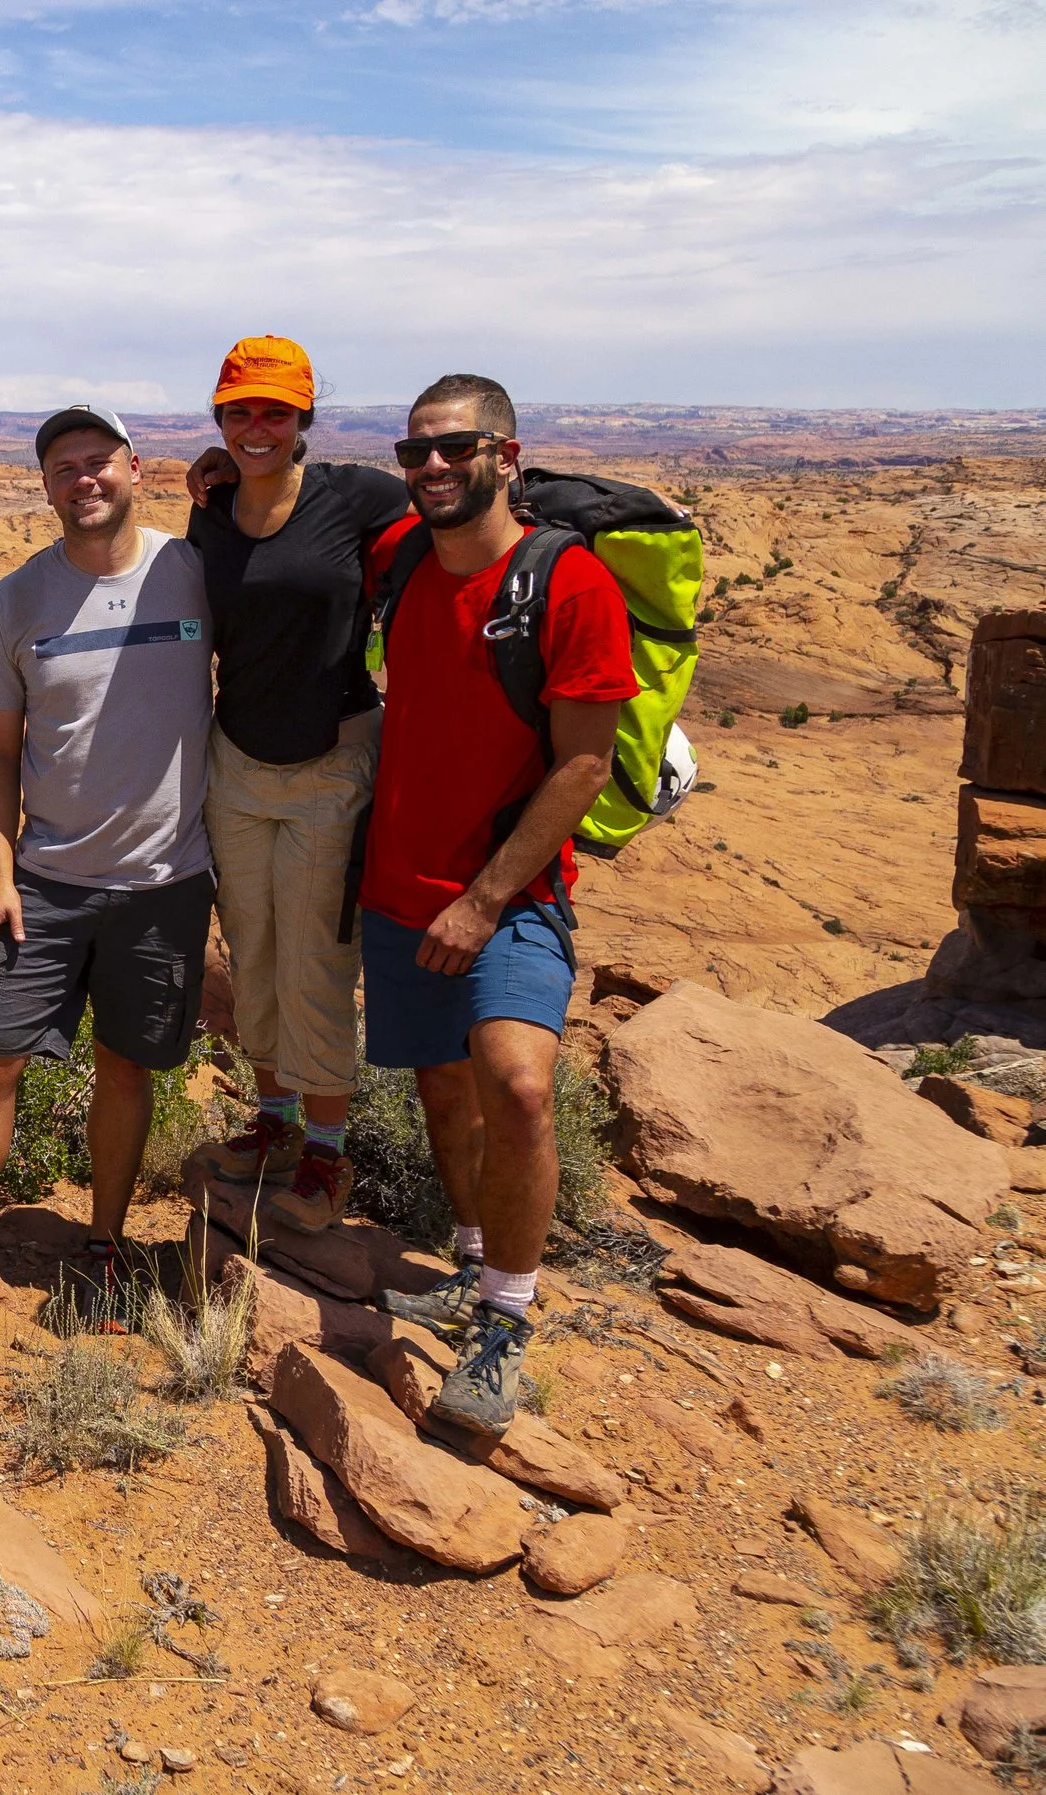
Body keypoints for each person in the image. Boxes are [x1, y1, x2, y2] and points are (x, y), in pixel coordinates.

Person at [0, 405, 215, 1343]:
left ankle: (102, 1247)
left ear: (136, 468)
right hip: (47, 880)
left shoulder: (189, 571)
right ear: (47, 486)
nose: (84, 480)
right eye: (64, 468)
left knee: (127, 1067)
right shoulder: (20, 599)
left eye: (98, 461)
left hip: (165, 879)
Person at [360, 373, 636, 1435]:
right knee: (442, 1093)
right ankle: (471, 1261)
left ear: (506, 455)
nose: (432, 466)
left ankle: (506, 1322)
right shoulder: (398, 561)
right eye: (414, 451)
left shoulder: (564, 584)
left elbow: (582, 763)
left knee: (517, 1086)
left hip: (506, 893)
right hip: (396, 887)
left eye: (455, 448)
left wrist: (481, 901)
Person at [184, 336, 413, 1234]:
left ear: (305, 417)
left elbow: (447, 529)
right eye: (239, 411)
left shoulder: (356, 496)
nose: (255, 427)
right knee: (254, 944)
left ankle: (326, 1148)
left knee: (318, 952)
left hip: (331, 760)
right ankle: (273, 1121)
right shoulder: (211, 508)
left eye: (274, 411)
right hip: (236, 759)